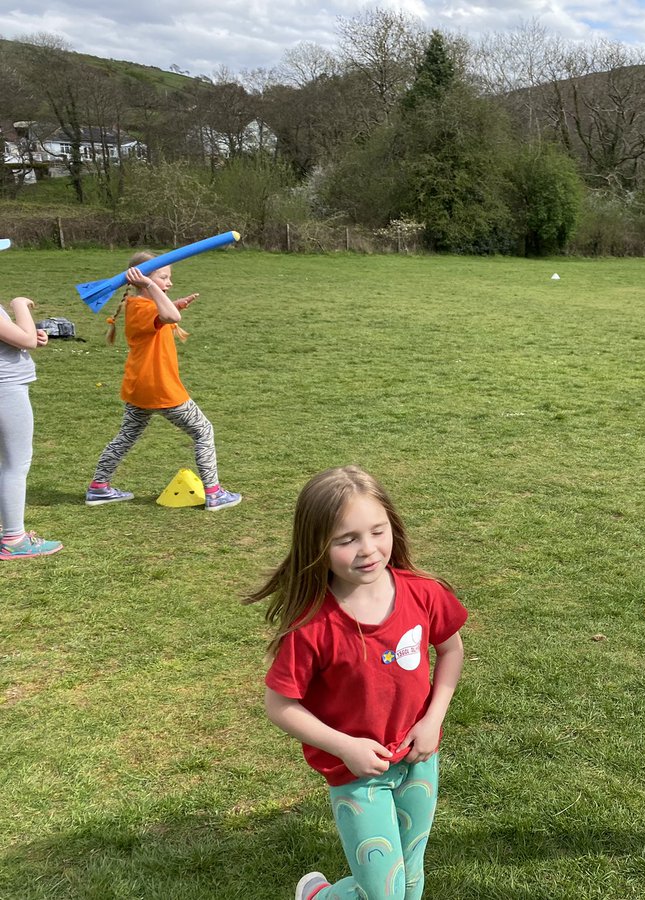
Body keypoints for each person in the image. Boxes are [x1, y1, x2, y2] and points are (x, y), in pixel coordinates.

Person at [245, 465, 467, 900]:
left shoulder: (423, 592)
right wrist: (345, 746)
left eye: (377, 531)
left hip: (420, 758)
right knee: (383, 894)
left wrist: (433, 720)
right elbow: (280, 705)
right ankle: (318, 897)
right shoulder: (311, 624)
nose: (368, 550)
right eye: (346, 540)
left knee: (411, 877)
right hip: (355, 775)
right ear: (317, 546)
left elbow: (452, 650)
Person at [85, 253, 240, 510]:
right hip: (160, 388)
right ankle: (214, 493)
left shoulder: (139, 306)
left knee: (126, 436)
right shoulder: (144, 308)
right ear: (144, 279)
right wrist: (152, 287)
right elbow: (170, 318)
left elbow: (164, 315)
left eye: (169, 278)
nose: (168, 283)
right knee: (203, 431)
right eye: (163, 277)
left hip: (139, 388)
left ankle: (99, 487)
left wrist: (174, 302)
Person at [0, 294, 63, 559]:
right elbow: (25, 341)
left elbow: (19, 338)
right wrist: (19, 305)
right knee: (16, 463)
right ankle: (14, 539)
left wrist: (27, 332)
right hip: (6, 387)